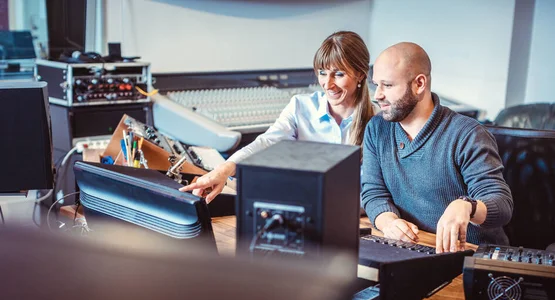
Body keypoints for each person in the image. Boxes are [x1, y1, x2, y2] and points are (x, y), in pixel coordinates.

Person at [180, 31, 375, 202]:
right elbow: (266, 143)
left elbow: (374, 191)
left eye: (339, 74)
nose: (327, 83)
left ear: (360, 74)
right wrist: (223, 171)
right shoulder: (301, 106)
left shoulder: (378, 120)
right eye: (322, 73)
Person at [361, 42, 513, 253]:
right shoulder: (377, 129)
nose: (377, 95)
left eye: (387, 85)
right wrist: (389, 222)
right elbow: (373, 192)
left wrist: (466, 206)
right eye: (376, 84)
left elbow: (502, 204)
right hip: (412, 250)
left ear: (419, 84)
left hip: (471, 256)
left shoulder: (467, 134)